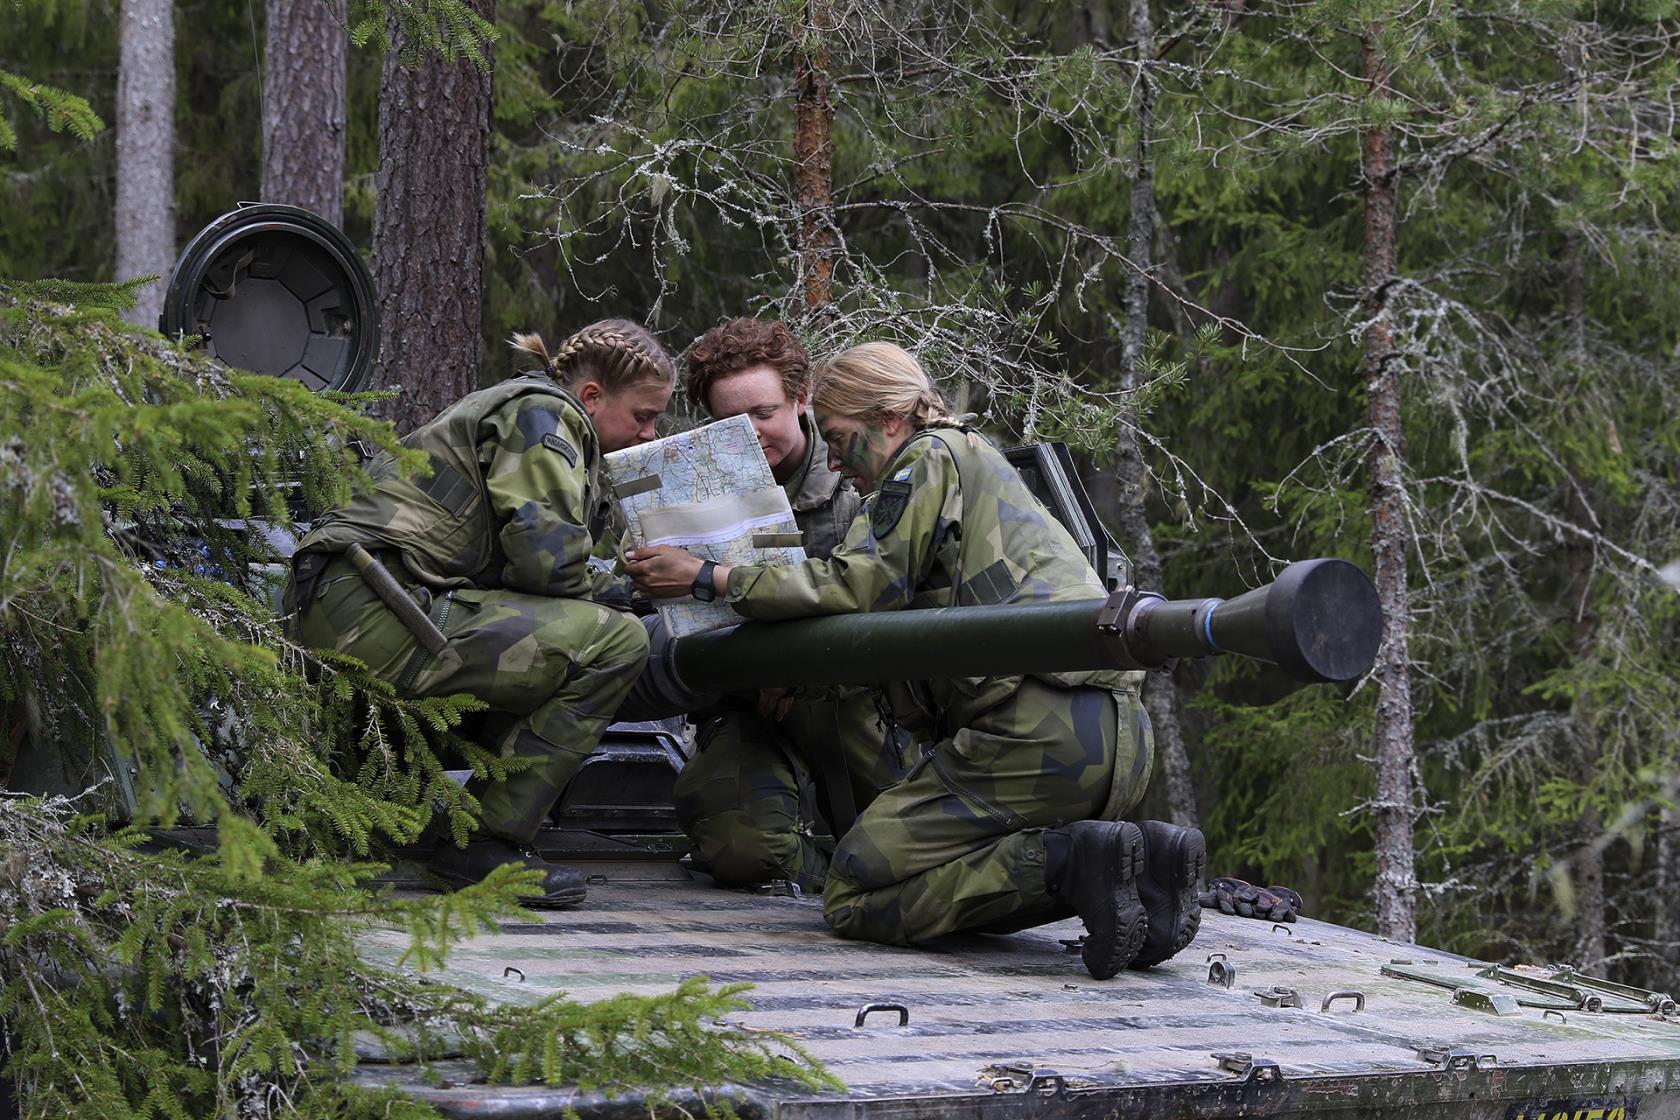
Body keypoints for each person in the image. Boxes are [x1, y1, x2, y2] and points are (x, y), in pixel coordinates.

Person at [627, 341, 1204, 978]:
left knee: (852, 892)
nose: (839, 461)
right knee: (937, 858)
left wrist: (709, 576)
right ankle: (1145, 874)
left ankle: (1064, 862)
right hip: (1115, 737)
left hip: (1034, 734)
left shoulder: (926, 458)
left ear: (891, 419)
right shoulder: (971, 458)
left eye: (842, 438)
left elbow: (860, 586)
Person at [287, 319, 676, 908]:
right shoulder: (547, 414)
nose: (650, 433)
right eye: (643, 416)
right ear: (592, 396)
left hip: (363, 602)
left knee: (571, 635)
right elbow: (548, 567)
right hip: (375, 610)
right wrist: (630, 594)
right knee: (616, 642)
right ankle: (485, 840)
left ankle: (446, 807)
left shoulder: (525, 411)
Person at [670, 318, 906, 892]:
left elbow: (883, 603)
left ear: (800, 400)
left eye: (762, 413)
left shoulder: (860, 477)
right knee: (740, 851)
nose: (748, 434)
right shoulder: (690, 489)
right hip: (746, 704)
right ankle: (828, 872)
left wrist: (794, 663)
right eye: (727, 421)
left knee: (906, 841)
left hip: (855, 702)